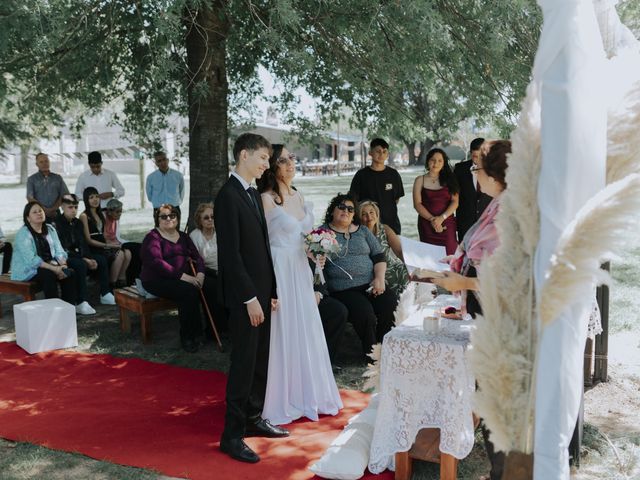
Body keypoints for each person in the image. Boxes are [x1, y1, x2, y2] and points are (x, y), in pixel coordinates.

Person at [426, 140, 512, 480]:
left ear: (494, 174)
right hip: (485, 313)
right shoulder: (496, 204)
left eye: (477, 167)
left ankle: (503, 472)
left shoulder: (509, 212)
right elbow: (479, 253)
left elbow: (509, 279)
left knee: (495, 401)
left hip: (499, 316)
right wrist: (457, 264)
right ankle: (499, 470)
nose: (473, 173)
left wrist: (464, 284)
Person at [214, 133, 288, 464]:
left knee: (260, 360)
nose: (266, 164)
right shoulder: (227, 196)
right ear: (244, 155)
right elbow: (230, 255)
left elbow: (260, 247)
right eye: (262, 158)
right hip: (245, 299)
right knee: (244, 363)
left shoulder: (253, 193)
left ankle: (253, 418)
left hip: (261, 294)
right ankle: (231, 436)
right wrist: (249, 297)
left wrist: (270, 291)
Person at [257, 144, 342, 425]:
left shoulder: (300, 196)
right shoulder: (267, 199)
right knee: (285, 329)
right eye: (283, 160)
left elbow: (306, 236)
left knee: (306, 327)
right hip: (279, 268)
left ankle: (312, 392)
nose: (290, 163)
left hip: (301, 269)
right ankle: (285, 395)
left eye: (292, 158)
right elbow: (262, 242)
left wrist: (316, 250)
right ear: (272, 167)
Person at [321, 193, 398, 359]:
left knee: (390, 303)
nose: (346, 211)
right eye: (341, 207)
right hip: (344, 290)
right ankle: (371, 356)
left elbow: (379, 256)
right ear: (332, 211)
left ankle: (384, 349)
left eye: (350, 209)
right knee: (365, 313)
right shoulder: (322, 234)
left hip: (370, 284)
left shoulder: (362, 231)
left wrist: (379, 278)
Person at [140, 204, 206, 352]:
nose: (168, 219)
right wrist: (185, 277)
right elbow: (157, 264)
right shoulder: (152, 238)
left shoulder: (183, 236)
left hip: (181, 279)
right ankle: (188, 336)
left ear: (177, 218)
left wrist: (200, 274)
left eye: (172, 215)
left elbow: (198, 258)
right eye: (163, 216)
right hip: (156, 280)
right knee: (187, 291)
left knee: (199, 288)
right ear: (157, 219)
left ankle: (201, 332)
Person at [54, 194, 115, 313]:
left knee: (101, 259)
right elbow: (63, 249)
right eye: (70, 207)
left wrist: (89, 258)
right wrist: (85, 259)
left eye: (76, 207)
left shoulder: (77, 223)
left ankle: (105, 293)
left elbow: (83, 244)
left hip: (79, 255)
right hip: (63, 257)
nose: (74, 210)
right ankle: (81, 301)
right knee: (80, 264)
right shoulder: (57, 224)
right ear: (62, 207)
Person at [10, 201, 77, 307]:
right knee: (48, 275)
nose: (39, 213)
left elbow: (59, 251)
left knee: (68, 272)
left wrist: (63, 265)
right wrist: (55, 269)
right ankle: (54, 309)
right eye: (34, 212)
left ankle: (68, 307)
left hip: (49, 264)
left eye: (40, 211)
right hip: (28, 270)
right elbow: (32, 260)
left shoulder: (50, 229)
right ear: (28, 218)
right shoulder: (23, 234)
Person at [349, 138, 404, 234]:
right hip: (367, 225)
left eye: (384, 151)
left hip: (391, 224)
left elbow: (396, 199)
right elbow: (354, 200)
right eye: (378, 151)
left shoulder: (393, 174)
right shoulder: (361, 175)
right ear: (370, 153)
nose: (381, 154)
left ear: (387, 154)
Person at [79, 187, 131, 288]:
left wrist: (111, 244)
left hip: (103, 245)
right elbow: (88, 240)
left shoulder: (100, 214)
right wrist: (107, 245)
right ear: (86, 200)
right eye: (91, 197)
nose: (95, 199)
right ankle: (112, 285)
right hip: (93, 248)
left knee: (127, 252)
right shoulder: (84, 216)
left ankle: (120, 281)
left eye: (97, 197)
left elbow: (103, 234)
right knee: (119, 254)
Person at [189, 202, 228, 335]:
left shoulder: (222, 232)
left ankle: (231, 326)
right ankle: (215, 330)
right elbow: (194, 260)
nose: (210, 219)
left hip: (225, 270)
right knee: (213, 289)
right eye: (206, 217)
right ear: (199, 220)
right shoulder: (195, 236)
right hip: (206, 272)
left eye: (213, 216)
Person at [413, 148, 459, 255]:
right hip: (427, 224)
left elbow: (455, 202)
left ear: (444, 163)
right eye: (432, 160)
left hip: (447, 223)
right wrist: (433, 220)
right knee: (429, 257)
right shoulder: (420, 180)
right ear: (428, 161)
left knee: (450, 256)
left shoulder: (450, 179)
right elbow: (417, 204)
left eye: (440, 161)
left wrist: (441, 218)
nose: (436, 163)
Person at [359, 200, 409, 296]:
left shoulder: (385, 229)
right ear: (359, 217)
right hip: (371, 275)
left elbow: (399, 251)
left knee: (408, 273)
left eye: (371, 212)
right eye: (364, 214)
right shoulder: (357, 234)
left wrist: (411, 267)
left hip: (393, 269)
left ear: (377, 214)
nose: (369, 217)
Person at [453, 138, 493, 242]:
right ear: (470, 153)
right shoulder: (460, 169)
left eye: (481, 156)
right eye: (475, 156)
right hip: (465, 224)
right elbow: (453, 194)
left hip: (488, 223)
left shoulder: (494, 169)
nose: (478, 159)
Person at [104, 198, 141, 285]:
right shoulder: (104, 219)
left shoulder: (115, 220)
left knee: (134, 250)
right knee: (130, 250)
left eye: (121, 211)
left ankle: (127, 280)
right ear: (110, 212)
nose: (120, 214)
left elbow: (117, 237)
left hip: (117, 243)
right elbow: (104, 238)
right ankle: (115, 283)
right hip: (108, 245)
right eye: (117, 212)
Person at [26, 152, 70, 222]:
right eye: (41, 162)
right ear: (37, 164)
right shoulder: (32, 179)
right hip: (39, 214)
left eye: (46, 161)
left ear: (49, 162)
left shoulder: (57, 178)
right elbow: (30, 197)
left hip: (55, 213)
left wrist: (53, 209)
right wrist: (44, 210)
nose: (44, 164)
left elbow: (64, 195)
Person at [145, 151, 185, 217]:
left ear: (168, 160)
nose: (162, 162)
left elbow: (181, 191)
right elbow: (149, 196)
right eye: (159, 161)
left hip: (174, 207)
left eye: (164, 159)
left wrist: (176, 202)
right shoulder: (151, 177)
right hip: (158, 208)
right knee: (159, 227)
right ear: (156, 163)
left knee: (175, 227)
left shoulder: (178, 175)